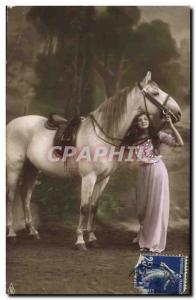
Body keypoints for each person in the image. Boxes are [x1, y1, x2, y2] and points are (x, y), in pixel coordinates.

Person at [123, 112, 184, 252]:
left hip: (157, 170)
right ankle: (144, 235)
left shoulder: (158, 135)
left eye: (145, 119)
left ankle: (152, 242)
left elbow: (180, 143)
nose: (143, 121)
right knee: (143, 208)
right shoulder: (134, 138)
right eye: (139, 120)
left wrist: (171, 125)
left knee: (155, 207)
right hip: (142, 172)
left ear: (149, 122)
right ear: (136, 124)